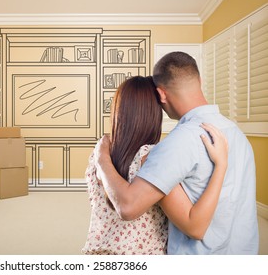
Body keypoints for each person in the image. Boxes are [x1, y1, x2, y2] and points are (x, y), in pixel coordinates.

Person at [95, 52, 259, 254]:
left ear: (161, 94)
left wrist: (102, 158)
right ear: (199, 80)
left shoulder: (178, 143)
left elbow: (128, 207)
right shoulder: (236, 133)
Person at [82, 75, 228, 255]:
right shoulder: (151, 158)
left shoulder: (100, 152)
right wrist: (221, 165)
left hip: (100, 253)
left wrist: (102, 159)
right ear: (153, 113)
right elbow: (195, 226)